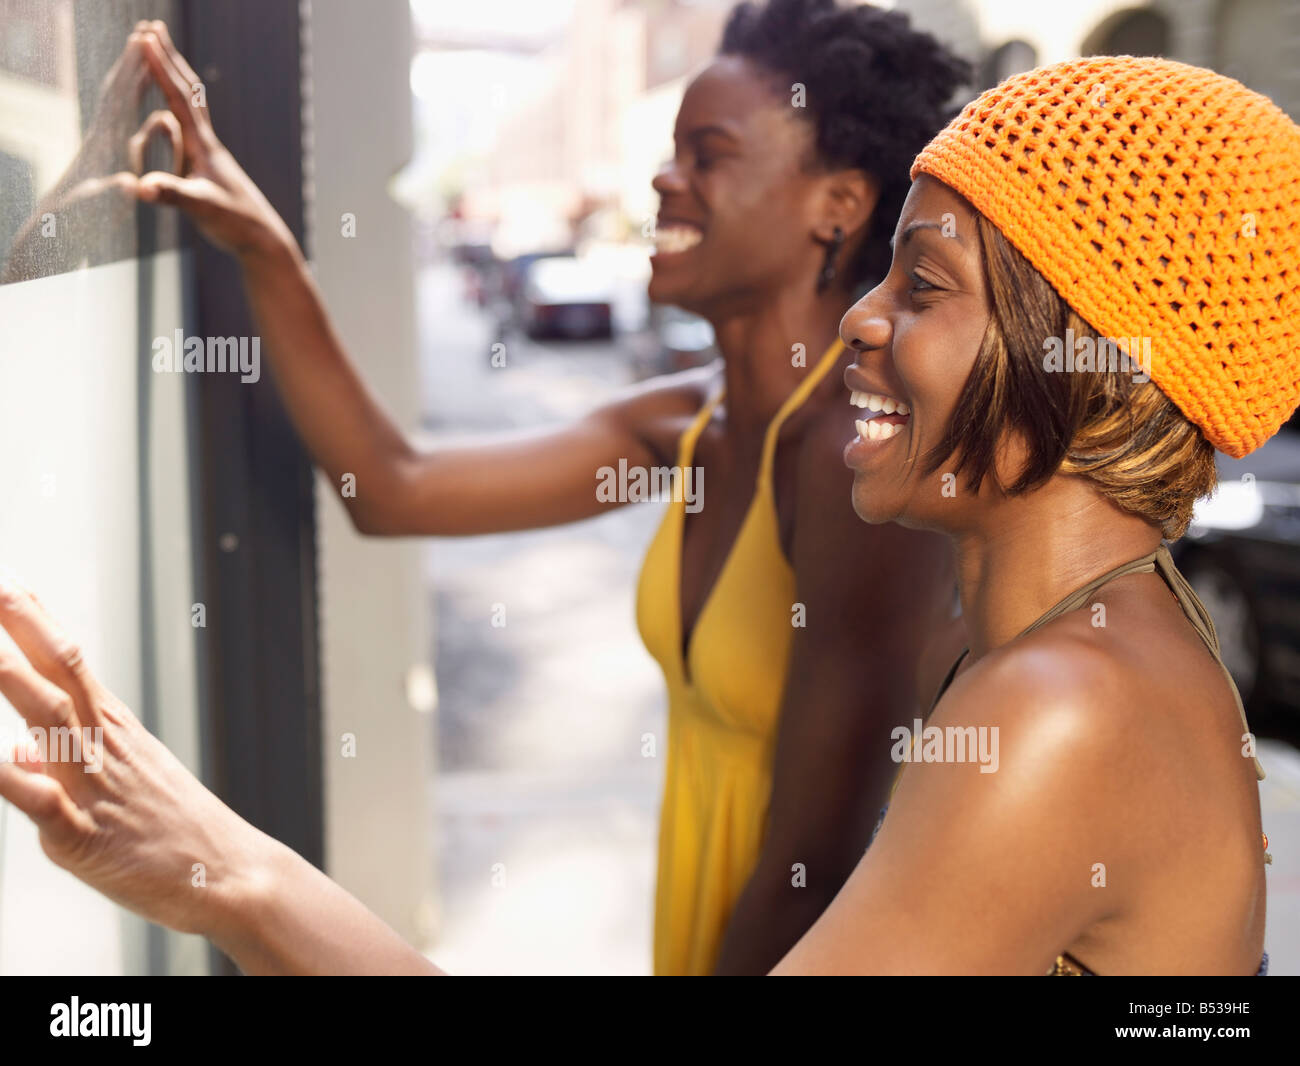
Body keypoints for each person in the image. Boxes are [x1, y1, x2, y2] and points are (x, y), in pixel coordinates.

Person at [1, 53, 1294, 976]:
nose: (863, 316)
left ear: (1080, 355)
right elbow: (390, 484)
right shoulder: (1020, 636)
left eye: (926, 282)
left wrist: (228, 873)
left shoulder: (1063, 706)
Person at [77, 5, 965, 976]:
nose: (665, 178)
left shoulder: (852, 455)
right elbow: (393, 488)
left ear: (835, 205)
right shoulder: (686, 420)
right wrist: (263, 246)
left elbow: (814, 862)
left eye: (707, 155)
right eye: (670, 152)